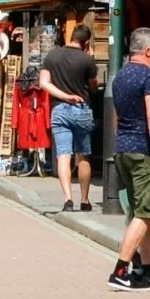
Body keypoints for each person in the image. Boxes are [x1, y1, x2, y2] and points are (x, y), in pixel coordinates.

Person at [108, 27, 150, 292]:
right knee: (147, 211)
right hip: (144, 151)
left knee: (146, 212)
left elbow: (116, 115)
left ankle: (146, 269)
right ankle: (121, 269)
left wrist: (121, 140)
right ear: (148, 51)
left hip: (124, 148)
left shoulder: (121, 76)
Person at [41, 23, 100, 212]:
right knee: (83, 156)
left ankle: (68, 199)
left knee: (63, 156)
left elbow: (44, 83)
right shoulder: (87, 60)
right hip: (81, 109)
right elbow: (93, 87)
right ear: (87, 42)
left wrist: (63, 96)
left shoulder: (53, 55)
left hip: (59, 109)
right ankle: (85, 199)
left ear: (71, 36)